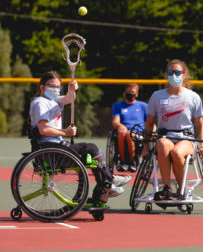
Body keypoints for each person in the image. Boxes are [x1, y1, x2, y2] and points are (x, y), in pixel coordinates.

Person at [29, 71, 131, 207]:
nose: (55, 90)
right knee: (91, 148)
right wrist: (65, 132)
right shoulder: (41, 103)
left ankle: (106, 184)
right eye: (51, 86)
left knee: (91, 154)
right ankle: (108, 181)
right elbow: (43, 129)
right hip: (50, 149)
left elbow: (70, 99)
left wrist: (72, 90)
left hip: (56, 146)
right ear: (42, 87)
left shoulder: (52, 100)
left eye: (58, 87)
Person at [143, 59, 203, 199]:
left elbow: (200, 126)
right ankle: (167, 188)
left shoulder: (193, 97)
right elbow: (149, 124)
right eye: (170, 72)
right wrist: (145, 145)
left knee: (177, 153)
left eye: (177, 72)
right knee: (162, 144)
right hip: (165, 136)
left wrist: (202, 146)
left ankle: (182, 190)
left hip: (186, 138)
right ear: (166, 74)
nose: (174, 75)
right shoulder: (157, 96)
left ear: (184, 75)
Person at [112, 83, 147, 172]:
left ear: (137, 94)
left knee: (129, 134)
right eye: (128, 92)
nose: (130, 94)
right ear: (125, 92)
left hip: (137, 132)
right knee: (122, 133)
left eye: (132, 92)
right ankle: (122, 161)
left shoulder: (143, 106)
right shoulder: (118, 105)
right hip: (123, 131)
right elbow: (115, 122)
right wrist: (121, 126)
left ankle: (132, 161)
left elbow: (150, 122)